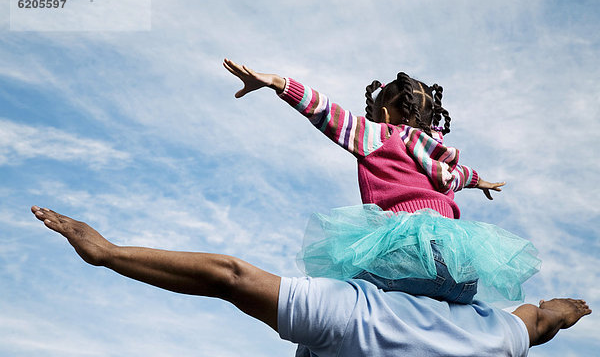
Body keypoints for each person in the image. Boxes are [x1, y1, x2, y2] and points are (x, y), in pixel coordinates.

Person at [31, 206, 590, 357]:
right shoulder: (491, 333)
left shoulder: (358, 311)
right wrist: (569, 309)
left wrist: (107, 253)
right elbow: (539, 321)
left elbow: (228, 276)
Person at [223, 59, 540, 304]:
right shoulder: (440, 156)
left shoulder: (382, 136)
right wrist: (482, 182)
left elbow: (327, 112)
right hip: (461, 268)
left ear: (385, 115)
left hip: (408, 255)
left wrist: (278, 83)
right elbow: (464, 176)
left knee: (332, 302)